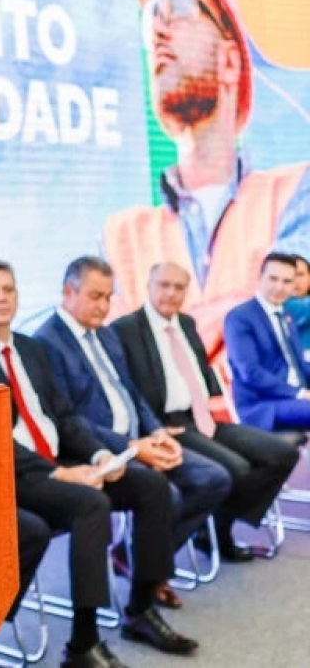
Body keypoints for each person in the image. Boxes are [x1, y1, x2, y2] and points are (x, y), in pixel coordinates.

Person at [0, 259, 198, 668]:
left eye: (8, 289)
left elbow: (64, 416)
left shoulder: (31, 349)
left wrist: (99, 454)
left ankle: (141, 609)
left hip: (58, 459)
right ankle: (83, 643)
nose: (2, 297)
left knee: (151, 486)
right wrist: (59, 472)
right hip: (12, 472)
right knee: (91, 504)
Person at [103, 0, 305, 367]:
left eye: (176, 7)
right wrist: (242, 307)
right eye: (150, 17)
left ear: (230, 61)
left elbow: (286, 325)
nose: (157, 31)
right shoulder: (122, 236)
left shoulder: (294, 191)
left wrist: (161, 337)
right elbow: (118, 362)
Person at [34, 256, 230, 608]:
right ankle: (149, 581)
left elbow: (132, 393)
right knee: (166, 494)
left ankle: (138, 557)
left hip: (140, 438)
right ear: (68, 292)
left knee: (213, 479)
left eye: (109, 297)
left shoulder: (105, 333)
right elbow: (70, 420)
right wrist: (132, 446)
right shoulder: (46, 344)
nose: (104, 306)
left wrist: (156, 432)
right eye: (95, 296)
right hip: (97, 450)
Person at [113, 261, 300, 561]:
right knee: (235, 469)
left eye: (179, 287)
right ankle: (149, 549)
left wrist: (211, 401)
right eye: (164, 285)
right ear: (148, 286)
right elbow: (124, 389)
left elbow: (200, 368)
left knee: (282, 454)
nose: (171, 293)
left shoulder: (186, 323)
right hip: (165, 426)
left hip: (201, 418)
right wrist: (151, 427)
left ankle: (212, 527)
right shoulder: (125, 329)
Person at [223, 252, 310, 430]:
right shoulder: (240, 317)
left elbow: (298, 365)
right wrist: (298, 393)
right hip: (264, 405)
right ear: (260, 277)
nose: (279, 287)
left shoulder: (286, 316)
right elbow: (250, 372)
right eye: (273, 279)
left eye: (287, 281)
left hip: (296, 397)